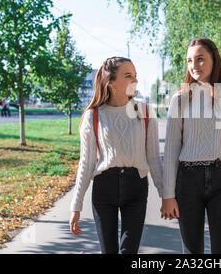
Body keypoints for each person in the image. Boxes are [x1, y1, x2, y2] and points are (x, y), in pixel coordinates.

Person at [69, 56, 163, 254]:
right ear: (110, 82)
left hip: (136, 188)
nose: (135, 81)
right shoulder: (93, 116)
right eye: (128, 76)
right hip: (104, 189)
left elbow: (154, 158)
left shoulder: (145, 112)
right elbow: (85, 163)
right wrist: (76, 205)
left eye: (136, 75)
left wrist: (167, 196)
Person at [160, 38, 221, 254]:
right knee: (191, 252)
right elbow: (170, 150)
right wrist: (167, 194)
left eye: (200, 59)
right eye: (190, 60)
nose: (194, 65)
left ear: (213, 60)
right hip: (187, 181)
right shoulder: (179, 100)